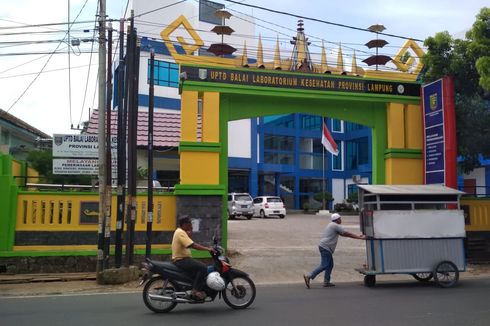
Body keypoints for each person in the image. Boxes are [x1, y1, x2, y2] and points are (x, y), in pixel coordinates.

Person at [303, 213, 365, 288]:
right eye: (340, 218)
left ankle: (326, 282)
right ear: (337, 219)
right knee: (324, 265)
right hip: (326, 247)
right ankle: (309, 276)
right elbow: (347, 233)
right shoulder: (335, 225)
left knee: (330, 265)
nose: (341, 220)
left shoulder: (331, 225)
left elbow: (343, 234)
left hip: (324, 246)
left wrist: (357, 236)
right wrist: (359, 237)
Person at [172, 217, 215, 300]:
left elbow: (189, 239)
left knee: (198, 269)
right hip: (182, 260)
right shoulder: (180, 233)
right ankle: (195, 290)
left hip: (184, 259)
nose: (191, 226)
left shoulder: (182, 232)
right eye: (189, 224)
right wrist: (207, 249)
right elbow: (192, 245)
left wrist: (190, 230)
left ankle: (195, 287)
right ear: (184, 224)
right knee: (203, 268)